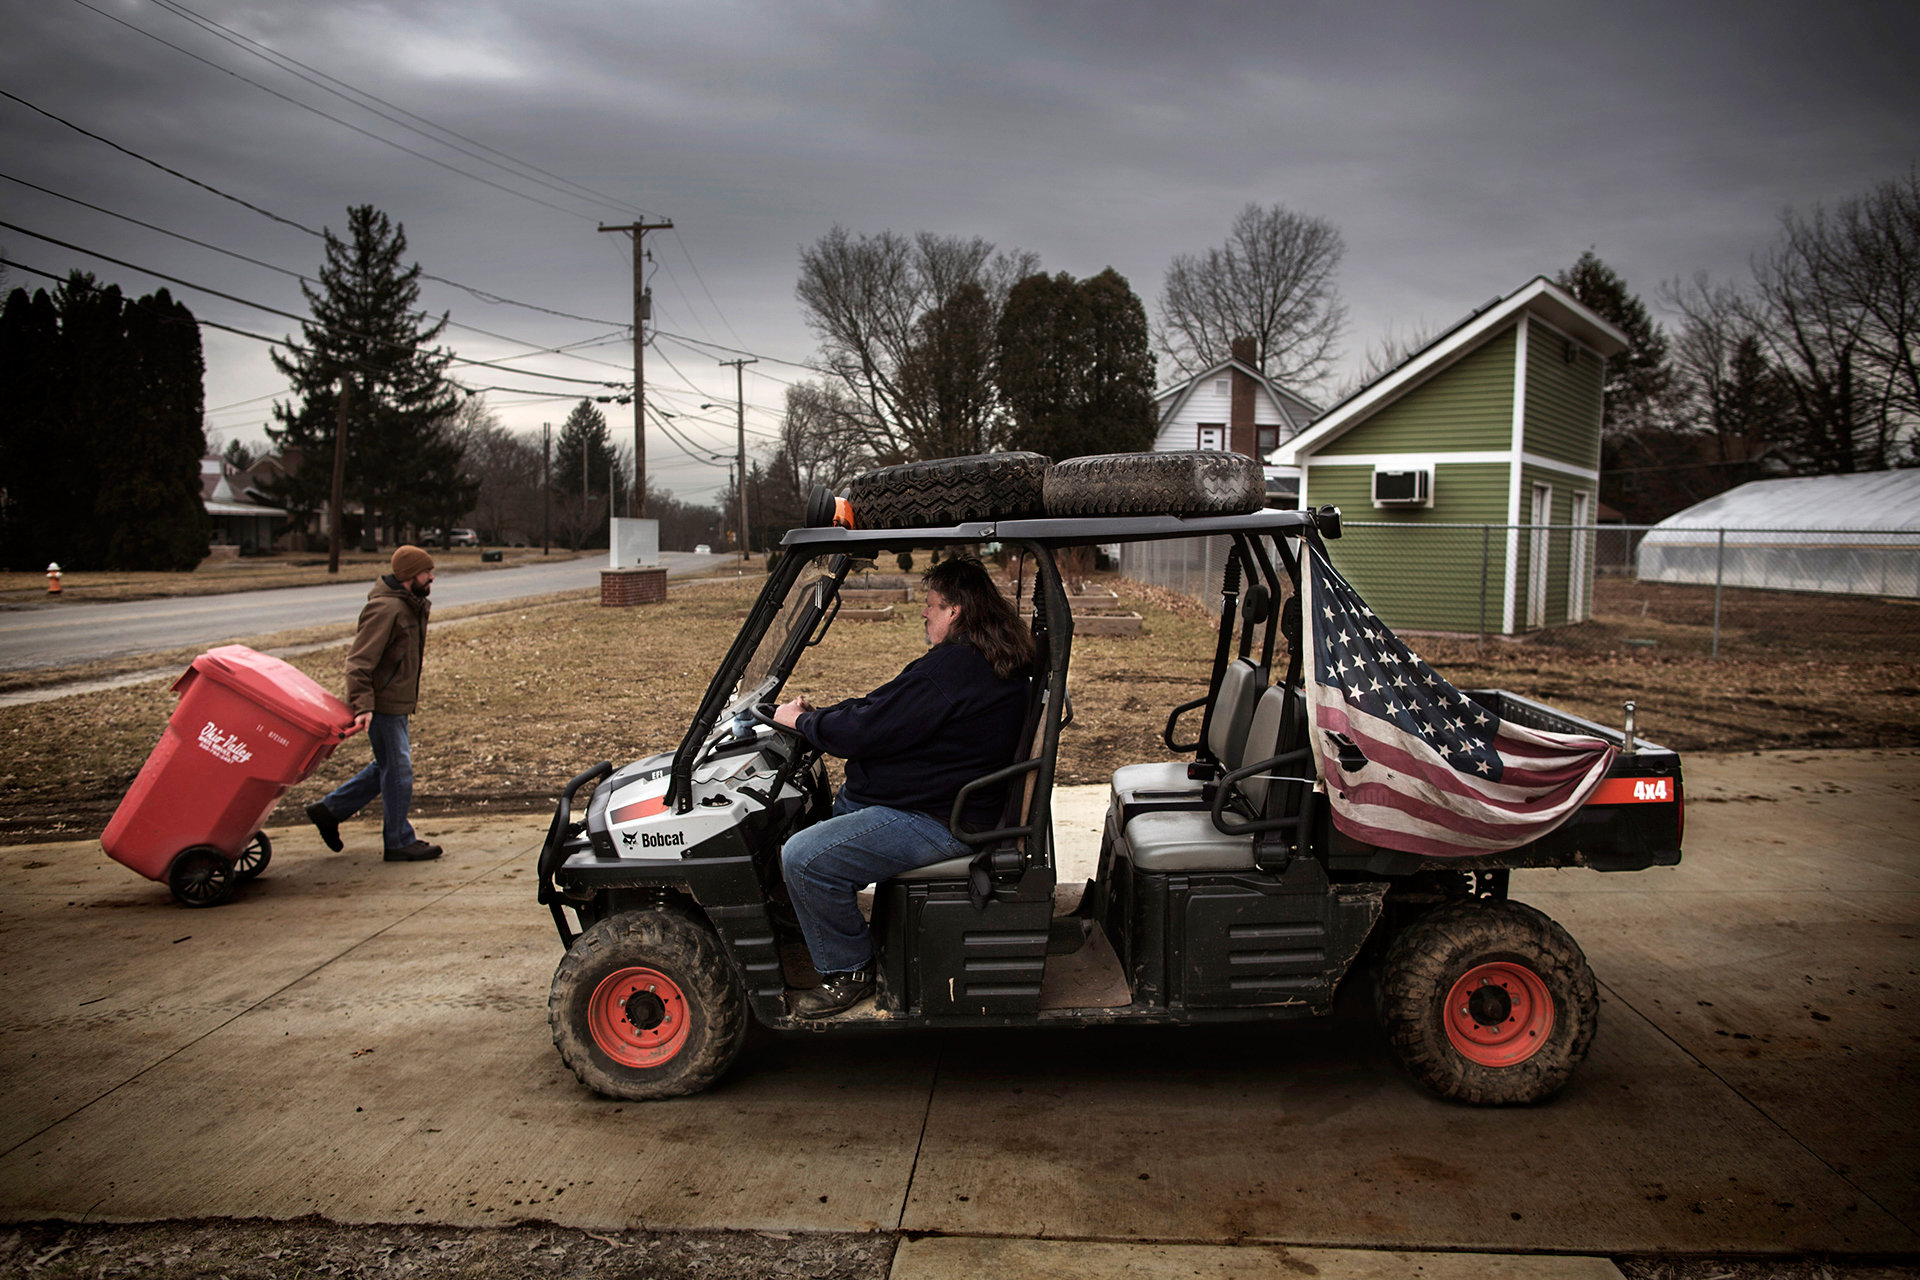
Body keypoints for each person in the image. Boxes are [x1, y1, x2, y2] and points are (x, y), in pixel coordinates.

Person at [772, 556, 1034, 1018]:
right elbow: (883, 707)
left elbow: (871, 726)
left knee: (803, 857)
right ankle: (817, 922)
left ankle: (848, 969)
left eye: (931, 606)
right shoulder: (980, 658)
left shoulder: (957, 668)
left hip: (942, 820)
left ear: (955, 611)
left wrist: (802, 721)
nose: (924, 614)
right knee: (838, 808)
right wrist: (817, 719)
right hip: (944, 800)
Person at [306, 545, 443, 862]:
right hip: (381, 704)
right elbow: (358, 662)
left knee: (389, 767)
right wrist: (363, 705)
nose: (432, 577)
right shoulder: (386, 609)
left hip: (394, 702)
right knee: (398, 771)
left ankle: (330, 810)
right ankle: (398, 841)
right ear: (410, 575)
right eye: (427, 572)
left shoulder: (408, 604)